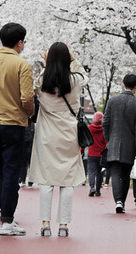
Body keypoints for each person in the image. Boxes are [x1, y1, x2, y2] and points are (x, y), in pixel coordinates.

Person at [0, 22, 35, 236]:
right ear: (19, 43)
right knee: (11, 173)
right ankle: (8, 221)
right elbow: (27, 97)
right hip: (13, 124)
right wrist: (27, 112)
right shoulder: (22, 65)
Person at [27, 41, 87, 237]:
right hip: (68, 134)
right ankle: (63, 226)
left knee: (46, 180)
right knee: (66, 181)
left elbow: (32, 92)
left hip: (46, 134)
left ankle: (45, 224)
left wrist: (47, 65)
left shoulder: (41, 82)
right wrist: (72, 59)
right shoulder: (75, 80)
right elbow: (84, 75)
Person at [102, 74, 136, 213]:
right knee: (125, 174)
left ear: (123, 84)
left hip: (114, 142)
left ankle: (118, 201)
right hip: (129, 144)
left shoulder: (112, 101)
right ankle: (122, 201)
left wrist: (108, 139)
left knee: (115, 173)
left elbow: (105, 122)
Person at [86, 112, 106, 196]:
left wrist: (82, 150)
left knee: (91, 171)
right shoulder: (104, 129)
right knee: (100, 173)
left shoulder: (89, 128)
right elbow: (106, 141)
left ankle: (91, 187)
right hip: (101, 154)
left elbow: (86, 139)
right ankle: (98, 190)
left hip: (91, 153)